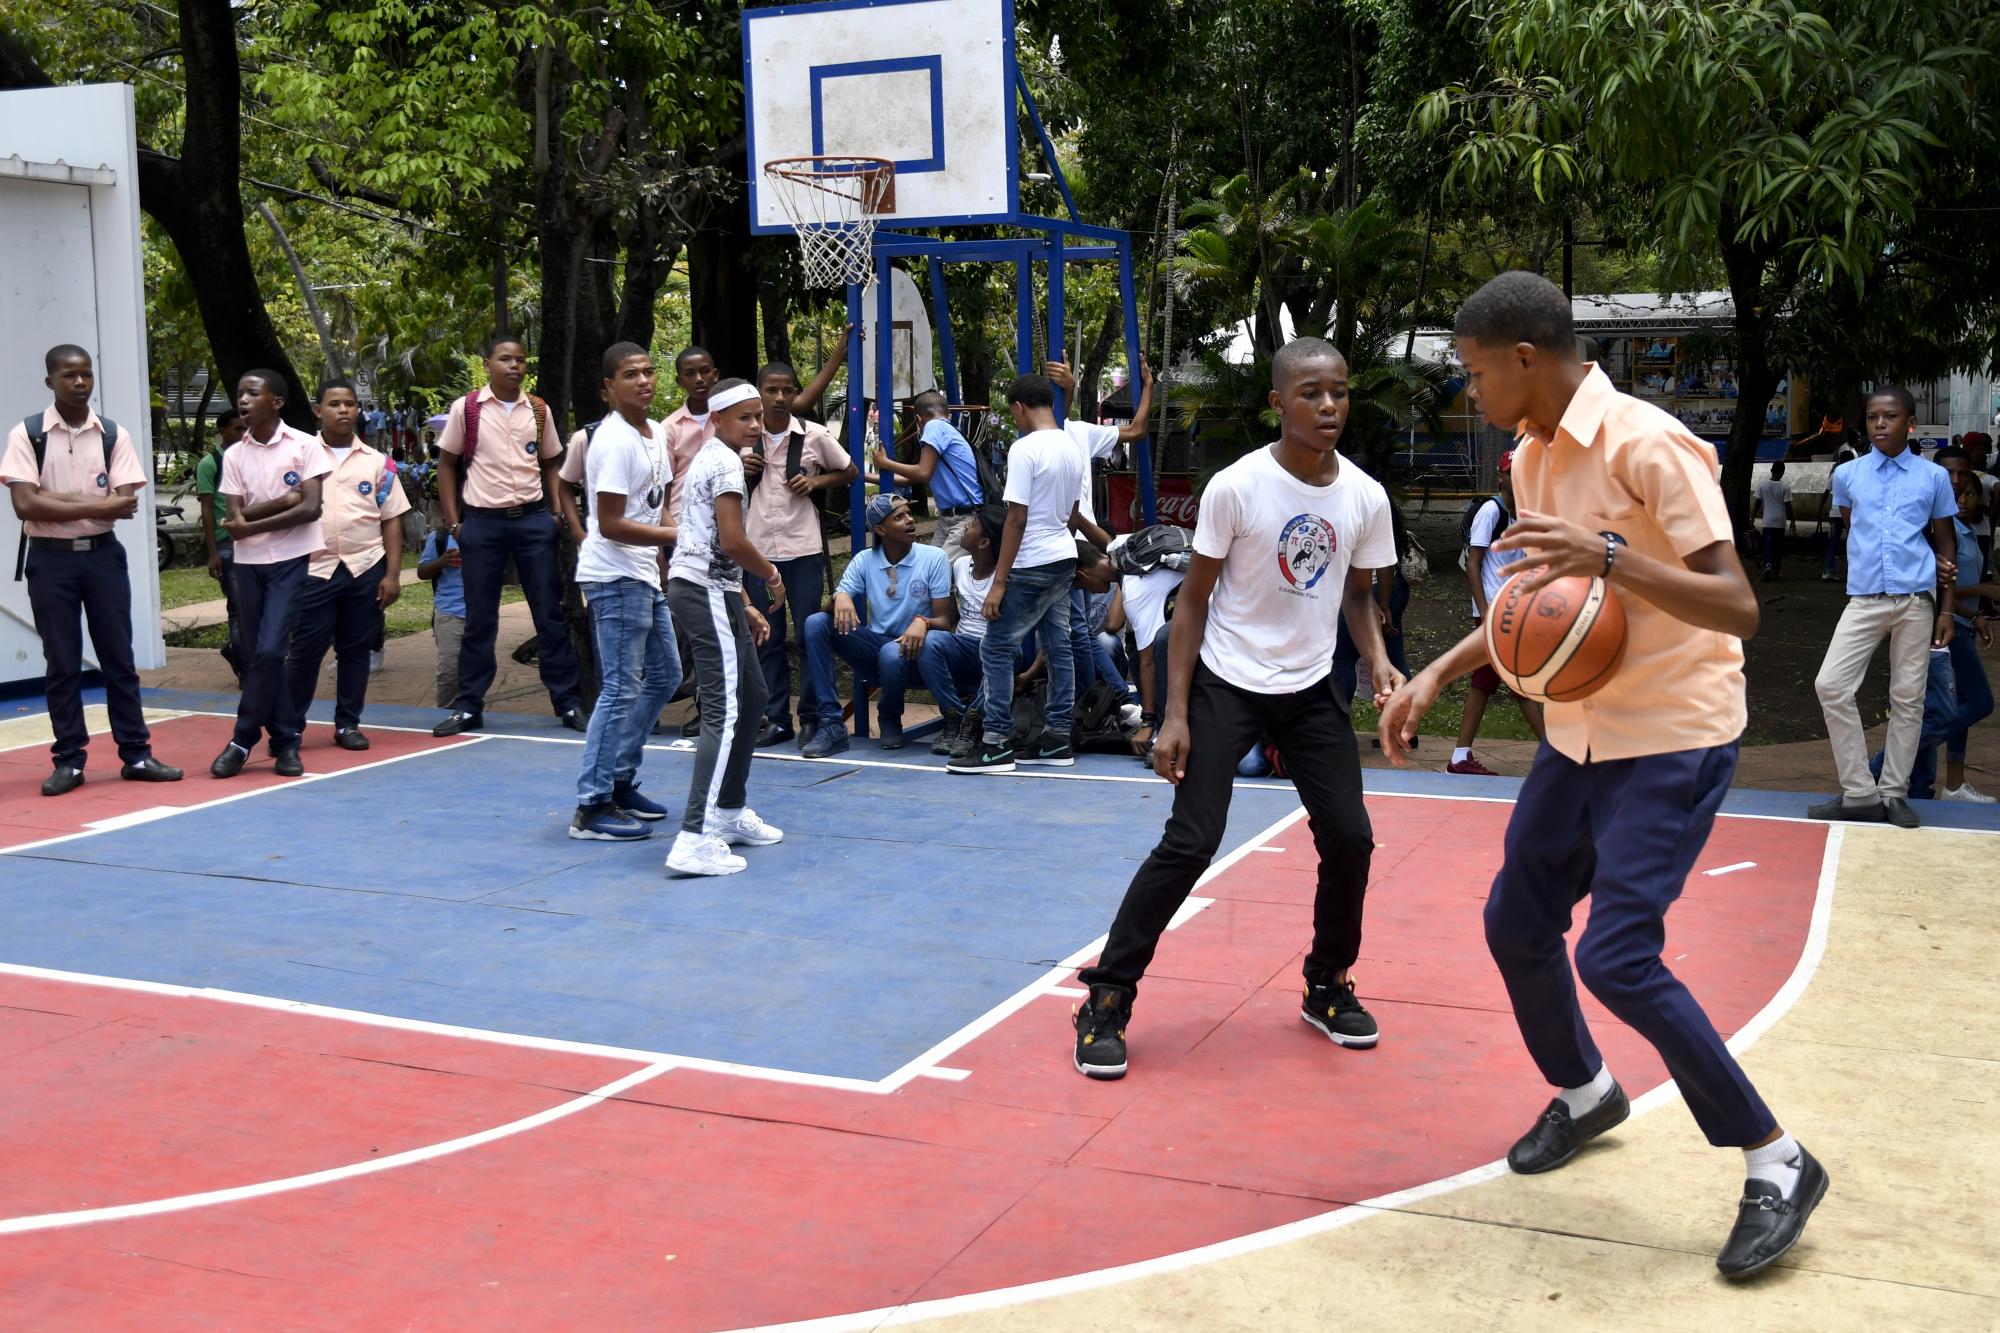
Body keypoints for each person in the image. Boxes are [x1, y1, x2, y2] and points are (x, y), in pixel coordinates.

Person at [1380, 270, 1825, 1280]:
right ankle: (1585, 1091)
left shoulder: (1647, 443)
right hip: (1578, 733)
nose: (1471, 390)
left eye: (1475, 371)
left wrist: (1612, 554)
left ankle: (1775, 1157)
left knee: (1616, 957)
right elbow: (1534, 606)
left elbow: (1737, 606)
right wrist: (1430, 677)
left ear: (1525, 358)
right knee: (1514, 923)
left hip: (1670, 734)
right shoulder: (1533, 456)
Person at [1071, 337, 1400, 1082]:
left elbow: (1355, 594)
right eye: (1311, 392)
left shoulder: (1364, 496)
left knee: (1350, 838)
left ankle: (1327, 980)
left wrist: (1377, 659)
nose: (1328, 405)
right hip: (1228, 679)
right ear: (1278, 402)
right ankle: (1107, 998)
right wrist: (1175, 713)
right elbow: (1192, 602)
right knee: (1191, 839)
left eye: (1340, 392)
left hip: (1312, 686)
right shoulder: (1238, 486)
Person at [2, 344, 182, 795]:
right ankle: (69, 760)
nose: (80, 383)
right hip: (50, 559)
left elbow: (123, 505)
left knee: (118, 658)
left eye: (86, 375)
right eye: (69, 376)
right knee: (61, 663)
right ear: (50, 382)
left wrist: (56, 500)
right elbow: (24, 503)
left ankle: (136, 753)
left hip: (103, 558)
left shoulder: (113, 435)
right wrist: (90, 504)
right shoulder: (28, 434)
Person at [1810, 386, 1958, 830]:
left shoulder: (1931, 478)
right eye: (1873, 416)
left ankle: (1893, 792)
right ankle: (1859, 791)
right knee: (1831, 684)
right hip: (1866, 599)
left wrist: (1947, 610)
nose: (1879, 424)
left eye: (1890, 417)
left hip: (1916, 601)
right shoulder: (1849, 475)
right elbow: (1856, 528)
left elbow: (1945, 540)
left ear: (1909, 423)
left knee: (1908, 699)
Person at [432, 335, 585, 737]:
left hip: (534, 522)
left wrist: (554, 512)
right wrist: (454, 523)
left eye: (520, 360)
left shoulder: (537, 409)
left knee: (549, 613)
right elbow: (447, 465)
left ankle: (567, 703)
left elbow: (553, 462)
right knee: (479, 618)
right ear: (487, 364)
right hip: (481, 524)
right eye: (505, 359)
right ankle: (469, 706)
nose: (514, 366)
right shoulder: (466, 409)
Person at [664, 378, 786, 876]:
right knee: (725, 707)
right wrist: (770, 574)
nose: (756, 424)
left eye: (758, 416)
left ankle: (730, 811)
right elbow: (732, 540)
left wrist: (742, 602)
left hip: (716, 589)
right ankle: (695, 835)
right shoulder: (726, 462)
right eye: (745, 417)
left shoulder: (713, 459)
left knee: (754, 696)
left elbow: (707, 539)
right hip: (703, 589)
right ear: (716, 420)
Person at [569, 343, 684, 841]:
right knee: (619, 688)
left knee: (665, 675)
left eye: (648, 371)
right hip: (613, 576)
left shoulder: (656, 433)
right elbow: (613, 524)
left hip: (642, 572)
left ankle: (619, 780)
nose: (643, 380)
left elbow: (655, 506)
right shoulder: (611, 441)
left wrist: (667, 547)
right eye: (630, 374)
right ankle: (590, 807)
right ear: (608, 388)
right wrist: (679, 536)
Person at [948, 374, 1085, 774]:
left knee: (995, 647)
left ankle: (994, 745)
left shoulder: (1025, 449)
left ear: (1019, 408)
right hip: (1062, 556)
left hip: (1031, 561)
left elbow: (1016, 518)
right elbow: (1072, 511)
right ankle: (1058, 738)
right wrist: (1062, 549)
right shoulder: (1072, 447)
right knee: (1060, 646)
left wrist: (1001, 581)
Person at [211, 369, 330, 779]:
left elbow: (311, 508)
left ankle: (241, 739)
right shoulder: (234, 455)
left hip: (291, 559)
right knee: (257, 653)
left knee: (268, 650)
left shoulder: (304, 445)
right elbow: (233, 515)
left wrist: (251, 522)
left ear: (276, 402)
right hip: (248, 564)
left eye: (252, 393)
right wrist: (284, 501)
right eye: (240, 393)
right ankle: (285, 741)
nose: (242, 400)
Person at [1860, 447, 1995, 803]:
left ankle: (1926, 786)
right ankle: (1885, 762)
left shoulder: (1961, 524)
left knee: (1933, 705)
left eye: (1962, 474)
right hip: (1935, 624)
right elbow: (1934, 584)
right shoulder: (1928, 525)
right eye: (1948, 472)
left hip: (1956, 623)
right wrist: (1973, 602)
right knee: (1977, 702)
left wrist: (1975, 614)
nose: (1954, 481)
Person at [283, 379, 409, 752]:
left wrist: (392, 574)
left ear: (358, 411)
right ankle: (289, 727)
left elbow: (392, 519)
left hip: (364, 568)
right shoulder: (300, 457)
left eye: (350, 404)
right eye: (335, 404)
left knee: (355, 650)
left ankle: (348, 723)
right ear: (318, 410)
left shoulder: (377, 463)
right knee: (305, 649)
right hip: (313, 569)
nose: (343, 410)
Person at [744, 360, 855, 748]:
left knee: (809, 635)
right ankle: (776, 717)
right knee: (766, 636)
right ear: (758, 392)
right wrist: (741, 467)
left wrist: (816, 480)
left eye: (787, 390)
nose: (778, 398)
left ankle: (812, 716)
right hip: (757, 551)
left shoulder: (813, 435)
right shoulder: (741, 437)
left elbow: (849, 470)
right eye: (770, 390)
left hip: (803, 548)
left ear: (795, 393)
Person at [800, 492, 952, 756]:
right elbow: (835, 604)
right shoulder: (864, 560)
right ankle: (831, 724)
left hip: (919, 652)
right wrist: (841, 597)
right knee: (816, 623)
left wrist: (923, 623)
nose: (909, 520)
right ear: (880, 529)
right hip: (877, 649)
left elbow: (947, 621)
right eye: (899, 517)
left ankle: (889, 717)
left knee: (892, 652)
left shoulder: (933, 557)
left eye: (909, 513)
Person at [1450, 451, 1545, 775]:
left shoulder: (1525, 516)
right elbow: (1473, 564)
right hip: (1493, 612)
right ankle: (1554, 756)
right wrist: (1486, 610)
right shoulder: (1491, 511)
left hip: (1512, 612)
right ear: (1500, 476)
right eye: (1512, 472)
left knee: (1487, 680)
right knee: (1517, 683)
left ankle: (1460, 756)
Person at [916, 502, 1033, 757]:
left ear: (984, 543)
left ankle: (973, 721)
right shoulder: (959, 566)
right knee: (931, 641)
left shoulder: (1008, 578)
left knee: (1005, 652)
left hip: (997, 650)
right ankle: (953, 716)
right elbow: (951, 615)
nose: (967, 524)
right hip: (964, 646)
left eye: (975, 525)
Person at [1046, 356, 1155, 540]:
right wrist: (1070, 388)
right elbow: (1053, 428)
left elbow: (1136, 430)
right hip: (1052, 542)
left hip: (1083, 540)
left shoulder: (1080, 431)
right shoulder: (1034, 438)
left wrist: (1149, 385)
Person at [872, 391, 985, 552]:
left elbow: (922, 473)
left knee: (941, 569)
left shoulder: (934, 425)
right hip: (950, 518)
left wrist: (885, 463)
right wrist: (865, 477)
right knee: (931, 566)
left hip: (964, 518)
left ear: (918, 419)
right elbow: (910, 479)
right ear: (949, 415)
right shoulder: (949, 431)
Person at [194, 407, 247, 683]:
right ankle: (246, 672)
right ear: (222, 430)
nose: (242, 433)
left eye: (245, 428)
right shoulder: (210, 463)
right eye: (237, 428)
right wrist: (213, 553)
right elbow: (205, 509)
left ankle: (236, 651)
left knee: (258, 607)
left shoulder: (252, 457)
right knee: (239, 608)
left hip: (255, 541)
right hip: (227, 544)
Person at [417, 524, 465, 709]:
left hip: (481, 612)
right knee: (449, 670)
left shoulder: (488, 530)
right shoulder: (440, 537)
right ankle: (446, 711)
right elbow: (422, 572)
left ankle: (470, 710)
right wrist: (442, 561)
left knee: (478, 668)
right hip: (449, 612)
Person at [1753, 460, 1794, 580]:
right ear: (1783, 472)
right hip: (1780, 521)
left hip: (1768, 521)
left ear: (1771, 470)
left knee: (1768, 545)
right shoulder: (1785, 487)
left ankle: (1768, 565)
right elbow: (1788, 506)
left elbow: (1758, 502)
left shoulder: (1762, 484)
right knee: (1778, 547)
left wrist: (1752, 517)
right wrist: (1793, 521)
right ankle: (1776, 570)